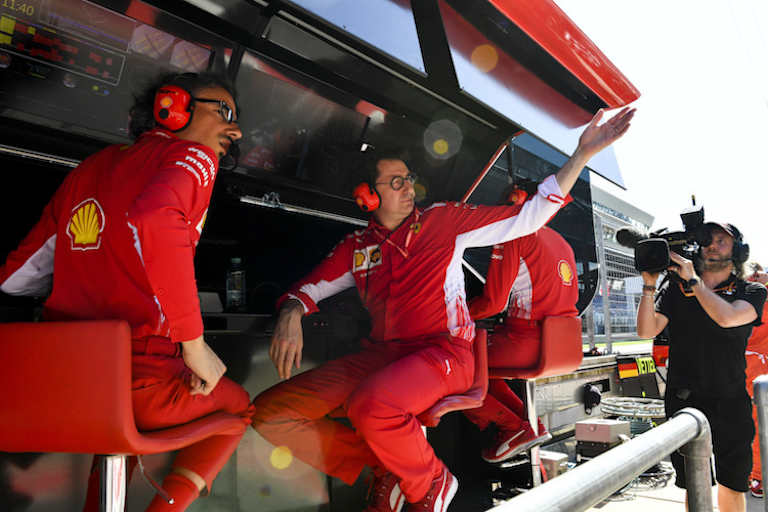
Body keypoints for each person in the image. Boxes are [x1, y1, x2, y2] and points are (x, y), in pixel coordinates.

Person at [252, 107, 634, 512]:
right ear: (367, 195)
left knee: (371, 406)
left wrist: (581, 155)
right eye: (396, 182)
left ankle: (430, 483)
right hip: (382, 356)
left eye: (409, 180)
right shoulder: (357, 248)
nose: (408, 189)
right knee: (270, 413)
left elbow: (529, 216)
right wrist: (292, 312)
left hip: (444, 352)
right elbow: (307, 290)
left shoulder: (442, 221)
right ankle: (390, 466)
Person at [0, 72, 252, 512]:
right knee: (239, 409)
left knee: (117, 432)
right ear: (173, 106)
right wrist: (194, 346)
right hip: (138, 388)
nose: (236, 130)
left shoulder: (90, 167)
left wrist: (87, 274)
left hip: (58, 386)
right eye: (224, 111)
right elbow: (156, 217)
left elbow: (15, 278)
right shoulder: (193, 156)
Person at [637, 223, 766, 512]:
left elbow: (728, 317)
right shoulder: (675, 289)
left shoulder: (751, 290)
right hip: (685, 400)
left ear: (739, 251)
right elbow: (646, 330)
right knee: (695, 485)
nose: (712, 245)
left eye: (722, 240)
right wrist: (649, 284)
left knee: (733, 483)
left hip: (731, 401)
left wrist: (694, 281)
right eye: (707, 239)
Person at [463, 186, 579, 462]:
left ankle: (512, 428)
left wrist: (455, 315)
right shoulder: (560, 241)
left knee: (453, 367)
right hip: (560, 346)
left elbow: (493, 303)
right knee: (486, 372)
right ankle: (529, 426)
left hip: (524, 344)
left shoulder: (515, 233)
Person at [745, 264, 768, 498]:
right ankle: (758, 476)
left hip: (752, 366)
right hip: (752, 367)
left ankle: (756, 475)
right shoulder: (748, 296)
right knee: (757, 422)